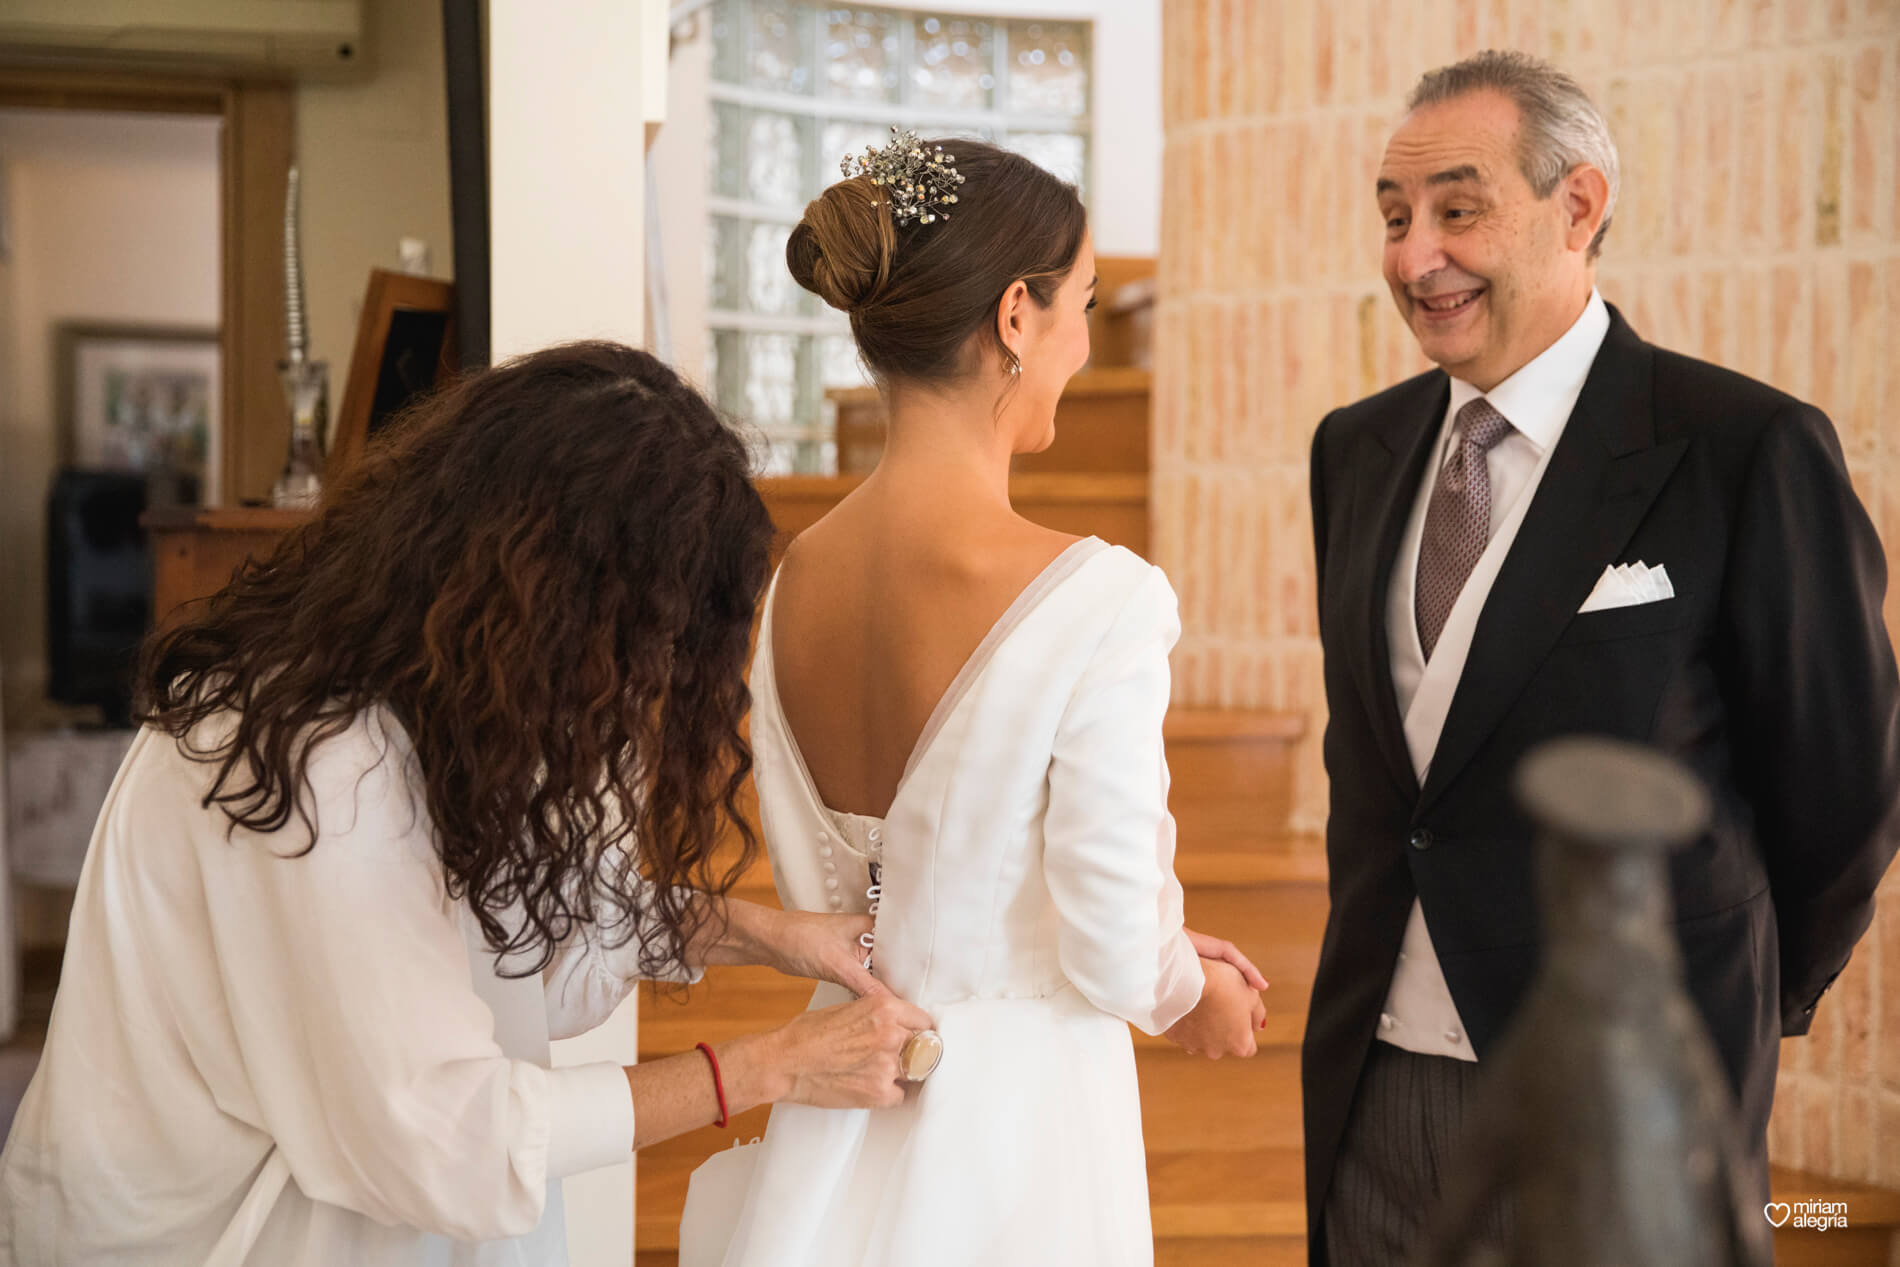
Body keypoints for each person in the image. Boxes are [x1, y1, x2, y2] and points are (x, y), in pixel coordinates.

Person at [0, 343, 936, 1267]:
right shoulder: (321, 759)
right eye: (640, 638)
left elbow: (549, 941)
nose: (643, 680)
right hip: (195, 1232)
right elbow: (450, 1139)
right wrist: (772, 1065)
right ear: (553, 597)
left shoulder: (439, 700)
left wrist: (770, 934)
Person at [1303, 50, 1900, 1266]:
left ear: (1578, 207)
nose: (1415, 257)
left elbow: (1842, 790)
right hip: (1377, 1075)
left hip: (1624, 1091)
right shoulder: (1352, 452)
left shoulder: (1745, 448)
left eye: (1458, 211)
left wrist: (1731, 998)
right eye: (1394, 216)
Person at [676, 133, 1269, 1267]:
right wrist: (1190, 991)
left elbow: (942, 893)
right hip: (1014, 1141)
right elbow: (1109, 946)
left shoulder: (791, 578)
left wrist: (1154, 940)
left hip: (837, 1105)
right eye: (1082, 305)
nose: (1084, 345)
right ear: (1014, 317)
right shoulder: (1103, 599)